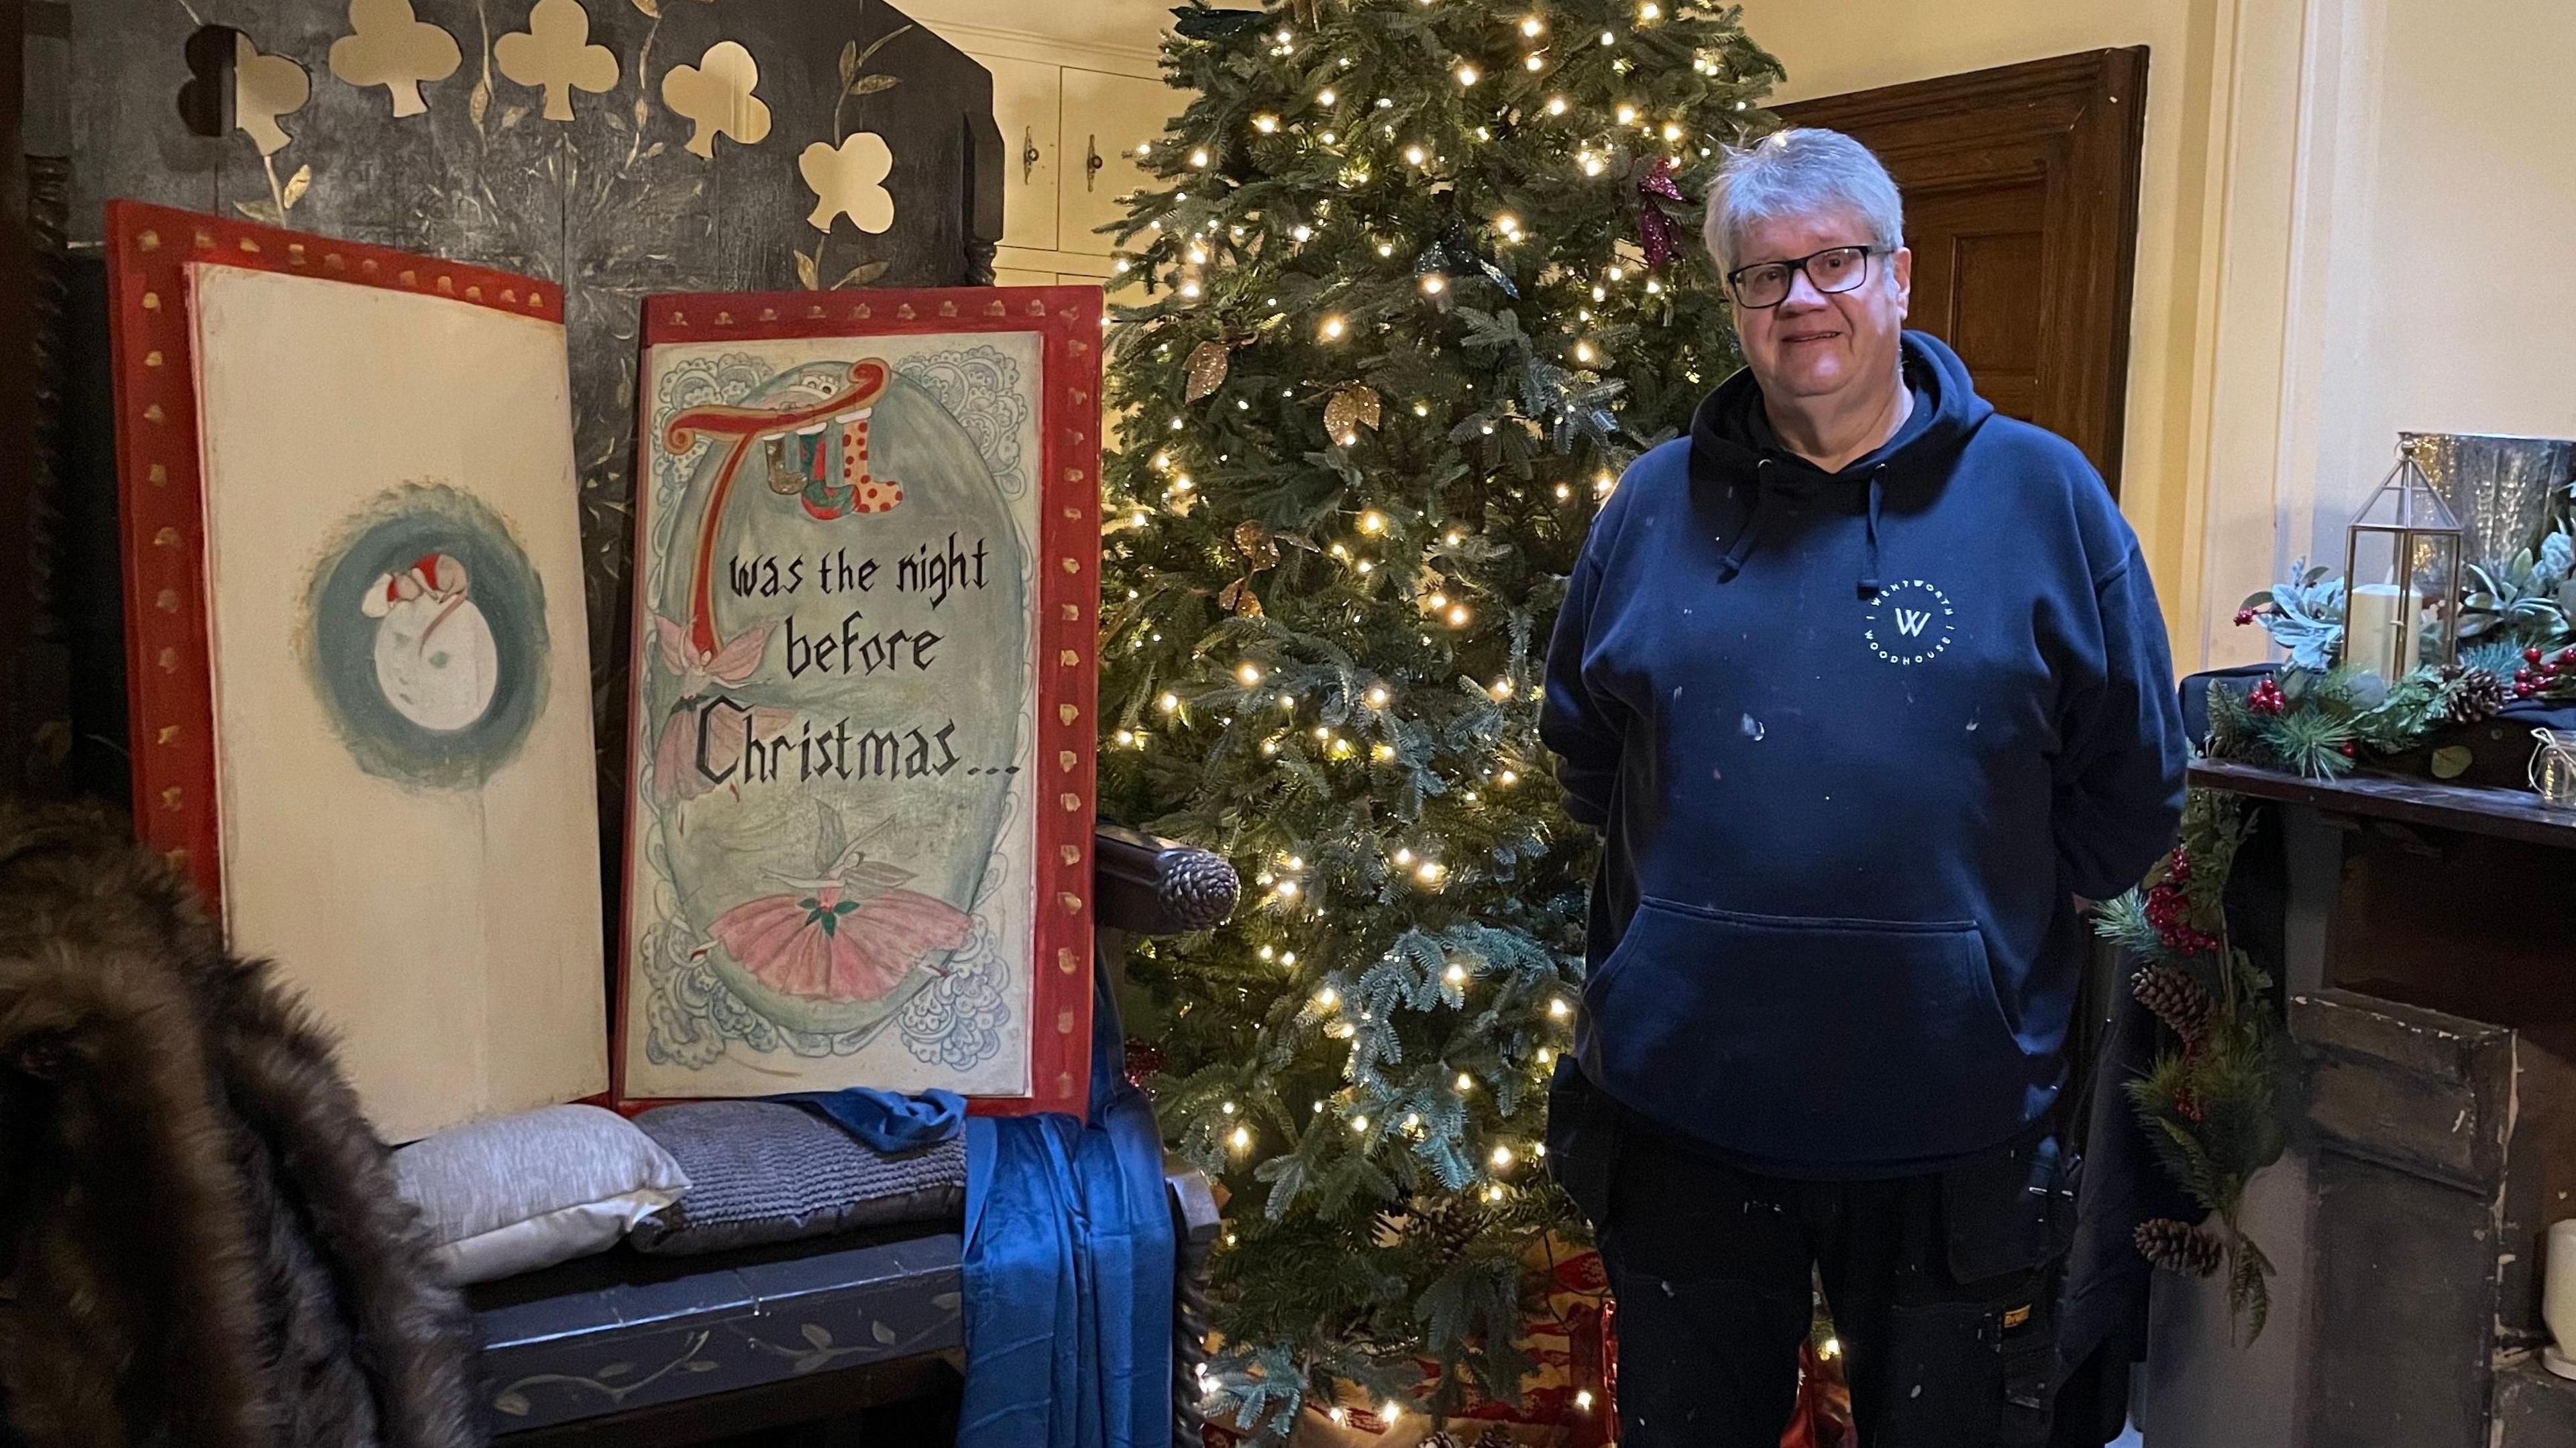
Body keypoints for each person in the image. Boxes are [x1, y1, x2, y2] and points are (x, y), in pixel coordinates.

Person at [1539, 127, 2188, 1447]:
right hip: (1684, 1116)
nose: (1800, 301)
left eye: (1834, 261)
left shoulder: (2045, 497)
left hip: (1956, 1123)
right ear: (1730, 300)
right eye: (1762, 275)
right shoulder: (1651, 506)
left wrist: (1962, 932)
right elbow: (1587, 758)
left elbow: (2132, 790)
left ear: (1897, 276)